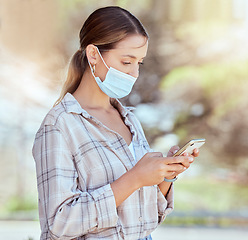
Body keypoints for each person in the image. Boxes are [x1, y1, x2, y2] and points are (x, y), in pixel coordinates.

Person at [32, 6, 199, 240]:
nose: (134, 74)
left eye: (139, 63)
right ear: (93, 55)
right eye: (126, 62)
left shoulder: (129, 119)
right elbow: (59, 223)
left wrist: (165, 175)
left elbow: (143, 216)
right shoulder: (59, 126)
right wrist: (134, 178)